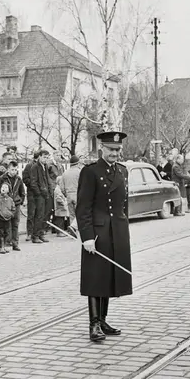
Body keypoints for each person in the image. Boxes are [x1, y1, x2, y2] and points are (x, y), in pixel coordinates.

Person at [76, 131, 132, 342]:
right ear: (101, 148)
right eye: (111, 150)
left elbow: (124, 205)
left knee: (109, 276)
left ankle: (103, 320)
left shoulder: (123, 171)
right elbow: (83, 207)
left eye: (118, 150)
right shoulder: (90, 172)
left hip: (117, 232)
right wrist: (87, 237)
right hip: (98, 234)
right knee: (95, 277)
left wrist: (124, 228)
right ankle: (94, 324)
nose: (115, 153)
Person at [0, 161, 25, 251]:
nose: (14, 172)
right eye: (12, 169)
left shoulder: (18, 179)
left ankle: (15, 243)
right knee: (4, 226)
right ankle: (4, 244)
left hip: (16, 204)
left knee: (15, 224)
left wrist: (20, 201)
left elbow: (22, 191)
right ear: (8, 169)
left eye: (15, 170)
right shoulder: (2, 178)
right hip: (5, 204)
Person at [29, 150, 51, 244]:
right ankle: (35, 236)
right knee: (38, 215)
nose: (46, 159)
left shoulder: (45, 166)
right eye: (44, 157)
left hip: (46, 194)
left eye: (47, 157)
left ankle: (41, 233)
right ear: (40, 157)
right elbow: (33, 182)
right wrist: (38, 193)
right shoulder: (35, 167)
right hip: (39, 195)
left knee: (44, 215)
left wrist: (49, 191)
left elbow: (47, 179)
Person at [60, 155, 83, 235]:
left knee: (72, 214)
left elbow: (61, 187)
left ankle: (73, 231)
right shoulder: (80, 172)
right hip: (78, 194)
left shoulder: (65, 173)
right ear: (77, 163)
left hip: (69, 195)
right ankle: (78, 230)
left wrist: (66, 194)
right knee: (80, 213)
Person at [0, 182, 16, 254]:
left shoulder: (10, 199)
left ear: (8, 190)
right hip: (0, 218)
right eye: (2, 187)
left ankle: (4, 246)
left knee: (6, 232)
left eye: (6, 187)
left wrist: (11, 214)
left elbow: (13, 208)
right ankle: (1, 247)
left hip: (7, 219)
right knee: (0, 232)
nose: (3, 189)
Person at [22, 154, 36, 241]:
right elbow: (25, 179)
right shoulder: (29, 166)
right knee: (31, 213)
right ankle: (30, 233)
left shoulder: (44, 166)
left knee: (39, 214)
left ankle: (37, 232)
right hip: (32, 193)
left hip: (40, 193)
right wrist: (33, 184)